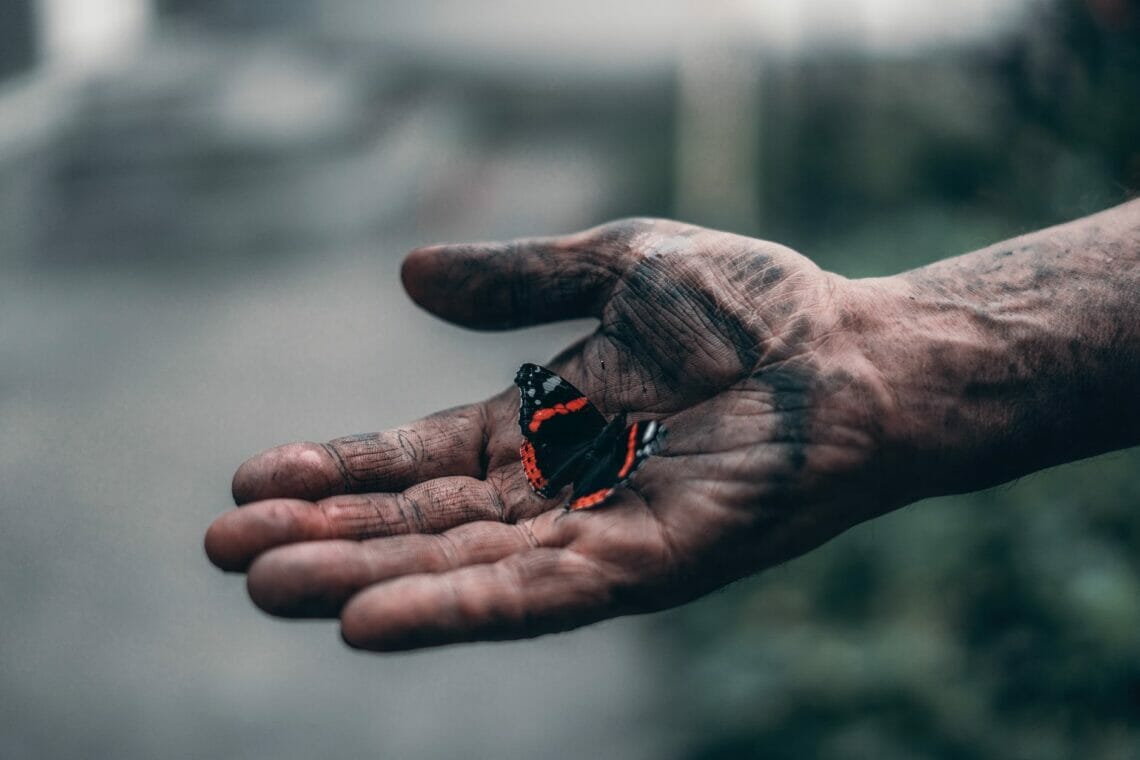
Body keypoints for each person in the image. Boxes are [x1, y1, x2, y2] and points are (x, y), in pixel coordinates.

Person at [204, 200, 1140, 651]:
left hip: (596, 462)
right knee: (590, 460)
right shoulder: (615, 436)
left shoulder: (577, 425)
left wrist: (865, 353)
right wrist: (869, 347)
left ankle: (584, 465)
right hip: (609, 464)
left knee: (581, 457)